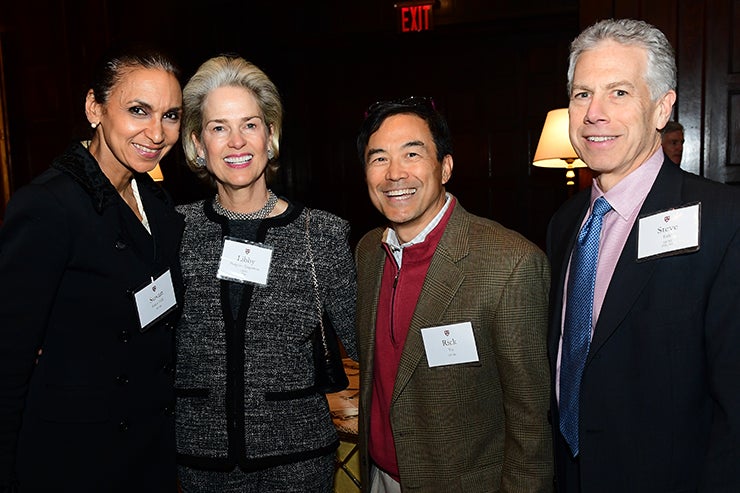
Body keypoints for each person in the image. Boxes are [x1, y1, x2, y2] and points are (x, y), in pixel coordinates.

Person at [547, 18, 740, 492]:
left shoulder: (723, 221)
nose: (594, 113)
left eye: (619, 93)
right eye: (581, 94)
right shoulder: (564, 224)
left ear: (661, 108)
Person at [0, 45, 185, 492]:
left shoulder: (158, 205)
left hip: (150, 453)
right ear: (94, 108)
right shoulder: (47, 206)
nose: (156, 133)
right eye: (138, 110)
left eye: (171, 115)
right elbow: (8, 362)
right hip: (74, 459)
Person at [174, 55, 357, 493]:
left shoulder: (322, 234)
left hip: (299, 463)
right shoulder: (173, 231)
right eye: (219, 127)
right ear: (198, 143)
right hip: (201, 464)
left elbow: (366, 343)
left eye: (250, 125)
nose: (236, 141)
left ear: (270, 136)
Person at [354, 96, 553, 492]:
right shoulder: (367, 252)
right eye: (379, 159)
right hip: (378, 478)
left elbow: (532, 421)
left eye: (412, 154)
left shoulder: (510, 263)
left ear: (445, 167)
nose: (394, 174)